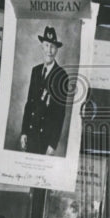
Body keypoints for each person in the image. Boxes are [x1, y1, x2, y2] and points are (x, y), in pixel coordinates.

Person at [19, 26, 69, 155]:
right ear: (42, 47)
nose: (49, 50)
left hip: (45, 140)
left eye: (53, 47)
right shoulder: (35, 71)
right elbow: (29, 104)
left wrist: (52, 144)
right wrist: (24, 132)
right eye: (46, 46)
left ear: (57, 50)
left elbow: (60, 114)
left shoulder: (61, 76)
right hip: (31, 134)